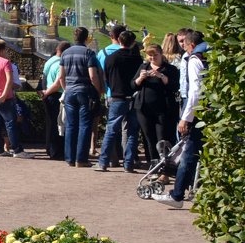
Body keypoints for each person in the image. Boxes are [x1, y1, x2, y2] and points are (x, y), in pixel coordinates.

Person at [154, 30, 206, 207]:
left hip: (198, 112)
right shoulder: (210, 54)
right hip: (212, 111)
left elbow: (195, 92)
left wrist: (185, 118)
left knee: (188, 152)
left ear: (191, 45)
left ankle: (177, 195)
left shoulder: (194, 59)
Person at [51, 26, 104, 167]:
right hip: (85, 91)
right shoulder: (89, 53)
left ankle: (69, 158)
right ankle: (81, 159)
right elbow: (93, 76)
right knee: (85, 125)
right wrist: (98, 91)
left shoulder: (65, 53)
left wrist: (66, 89)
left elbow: (61, 76)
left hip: (70, 91)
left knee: (71, 125)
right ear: (87, 38)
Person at [97, 31, 143, 172]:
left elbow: (106, 78)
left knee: (111, 130)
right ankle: (128, 163)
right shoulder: (137, 59)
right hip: (133, 96)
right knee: (131, 132)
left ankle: (103, 162)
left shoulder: (111, 58)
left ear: (118, 40)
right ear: (133, 43)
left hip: (117, 96)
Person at [133, 43, 180, 165]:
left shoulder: (170, 69)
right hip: (144, 108)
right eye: (150, 55)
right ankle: (152, 163)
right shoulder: (143, 67)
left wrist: (161, 76)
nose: (152, 58)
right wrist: (141, 78)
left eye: (155, 55)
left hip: (163, 109)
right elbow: (133, 85)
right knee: (149, 137)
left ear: (161, 54)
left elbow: (175, 86)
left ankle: (165, 165)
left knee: (163, 138)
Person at [39, 42, 70, 160]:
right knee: (59, 125)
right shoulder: (60, 64)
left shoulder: (50, 61)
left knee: (51, 124)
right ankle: (57, 152)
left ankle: (50, 149)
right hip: (55, 94)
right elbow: (58, 83)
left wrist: (44, 92)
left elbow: (44, 77)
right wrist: (47, 92)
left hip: (48, 94)